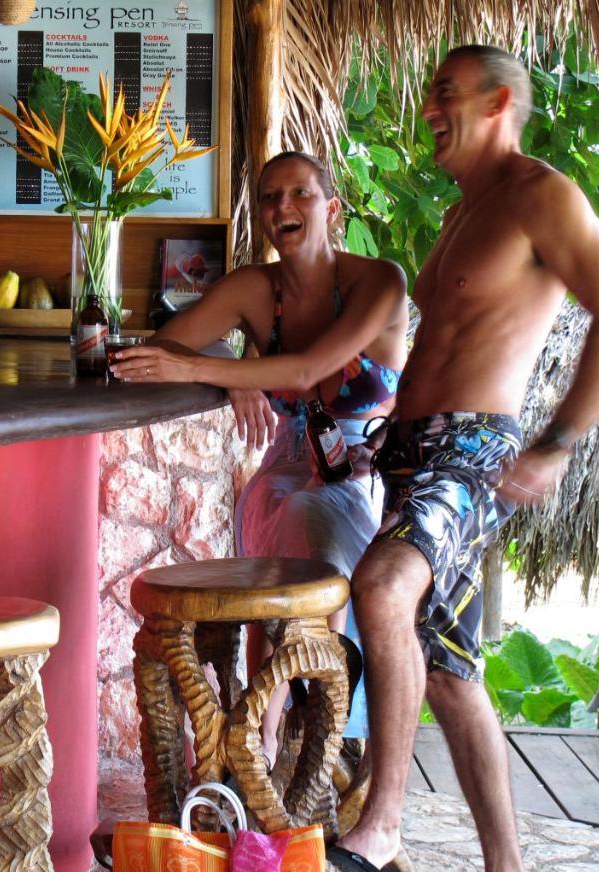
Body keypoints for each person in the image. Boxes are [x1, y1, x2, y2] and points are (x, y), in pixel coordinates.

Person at [325, 46, 599, 872]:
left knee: (384, 586)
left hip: (474, 450)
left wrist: (556, 445)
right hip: (418, 453)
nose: (429, 107)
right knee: (451, 673)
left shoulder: (542, 194)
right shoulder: (468, 210)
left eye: (446, 94)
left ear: (502, 102)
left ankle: (382, 825)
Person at [109, 151, 409, 763]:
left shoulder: (379, 282)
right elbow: (169, 340)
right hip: (285, 464)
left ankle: (327, 724)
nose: (283, 208)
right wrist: (233, 371)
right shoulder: (255, 289)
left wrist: (220, 366)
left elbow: (307, 368)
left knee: (308, 523)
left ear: (332, 209)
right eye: (271, 197)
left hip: (362, 470)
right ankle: (262, 739)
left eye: (299, 194)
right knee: (278, 511)